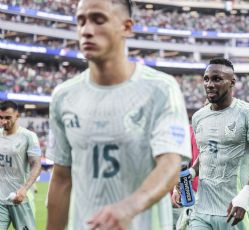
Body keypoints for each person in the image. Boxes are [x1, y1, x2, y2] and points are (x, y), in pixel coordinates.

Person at [46, 0, 191, 229]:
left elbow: (171, 165)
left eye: (98, 19)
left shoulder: (161, 89)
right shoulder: (63, 96)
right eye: (81, 21)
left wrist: (129, 207)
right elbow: (62, 179)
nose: (86, 30)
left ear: (126, 27)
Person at [172, 57, 249, 229]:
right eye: (206, 79)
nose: (209, 84)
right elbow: (207, 153)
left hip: (234, 209)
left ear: (232, 82)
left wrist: (244, 197)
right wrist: (191, 174)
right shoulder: (198, 117)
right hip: (201, 211)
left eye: (217, 79)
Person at [0, 100, 42, 230]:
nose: (3, 122)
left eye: (8, 118)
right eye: (1, 118)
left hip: (21, 199)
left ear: (17, 116)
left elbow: (36, 164)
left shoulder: (29, 136)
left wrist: (25, 188)